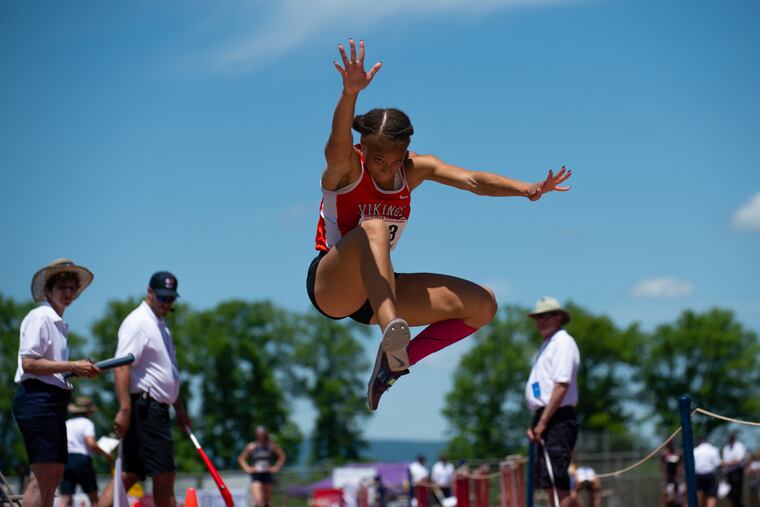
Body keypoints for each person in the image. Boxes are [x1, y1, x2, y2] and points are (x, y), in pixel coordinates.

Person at [306, 39, 572, 411]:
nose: (386, 170)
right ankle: (391, 330)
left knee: (482, 305)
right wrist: (348, 93)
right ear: (363, 148)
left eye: (394, 162)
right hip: (332, 285)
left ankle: (394, 363)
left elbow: (473, 180)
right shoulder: (346, 167)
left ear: (405, 155)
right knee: (374, 227)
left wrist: (525, 188)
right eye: (378, 160)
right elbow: (336, 141)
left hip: (378, 288)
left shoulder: (415, 169)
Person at [97, 271, 192, 507]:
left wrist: (179, 409)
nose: (166, 303)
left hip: (157, 407)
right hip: (145, 407)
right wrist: (125, 408)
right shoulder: (138, 322)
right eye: (162, 298)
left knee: (130, 473)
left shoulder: (161, 327)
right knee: (165, 472)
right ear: (149, 293)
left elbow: (169, 374)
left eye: (171, 299)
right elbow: (121, 367)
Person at [12, 259, 101, 507]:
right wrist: (73, 365)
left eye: (72, 288)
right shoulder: (41, 317)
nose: (68, 292)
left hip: (49, 401)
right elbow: (29, 363)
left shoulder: (57, 323)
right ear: (48, 290)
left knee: (53, 474)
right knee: (42, 476)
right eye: (62, 286)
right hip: (38, 399)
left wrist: (75, 370)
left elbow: (47, 368)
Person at [524, 297, 580, 507]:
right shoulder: (547, 345)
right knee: (549, 480)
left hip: (557, 415)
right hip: (547, 415)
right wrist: (537, 421)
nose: (540, 321)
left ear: (558, 317)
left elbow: (561, 385)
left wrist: (543, 421)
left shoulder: (563, 343)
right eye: (538, 317)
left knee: (558, 478)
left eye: (545, 316)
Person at [59, 396, 113, 507]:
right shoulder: (87, 423)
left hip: (66, 459)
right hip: (82, 460)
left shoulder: (67, 423)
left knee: (65, 498)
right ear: (88, 412)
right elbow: (91, 443)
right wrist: (105, 453)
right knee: (93, 498)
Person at [237, 426, 287, 507]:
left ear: (265, 434)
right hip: (256, 475)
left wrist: (276, 467)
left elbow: (282, 456)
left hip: (267, 474)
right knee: (257, 501)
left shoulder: (271, 446)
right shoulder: (252, 446)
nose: (261, 435)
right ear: (256, 434)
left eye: (263, 433)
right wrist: (247, 468)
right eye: (259, 434)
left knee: (266, 503)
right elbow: (241, 458)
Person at [693, 436, 721, 507]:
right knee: (711, 496)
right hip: (709, 475)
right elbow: (717, 463)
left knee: (699, 495)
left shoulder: (695, 450)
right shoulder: (713, 450)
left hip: (698, 475)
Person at [723, 432, 748, 507]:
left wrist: (728, 463)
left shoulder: (739, 446)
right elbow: (725, 461)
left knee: (736, 493)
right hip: (729, 473)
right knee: (730, 493)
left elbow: (740, 460)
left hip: (737, 472)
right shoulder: (726, 447)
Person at [661, 439, 683, 507]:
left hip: (677, 478)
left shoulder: (678, 454)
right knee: (667, 497)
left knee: (679, 497)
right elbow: (663, 466)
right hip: (669, 478)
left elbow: (680, 465)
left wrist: (679, 473)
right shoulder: (665, 454)